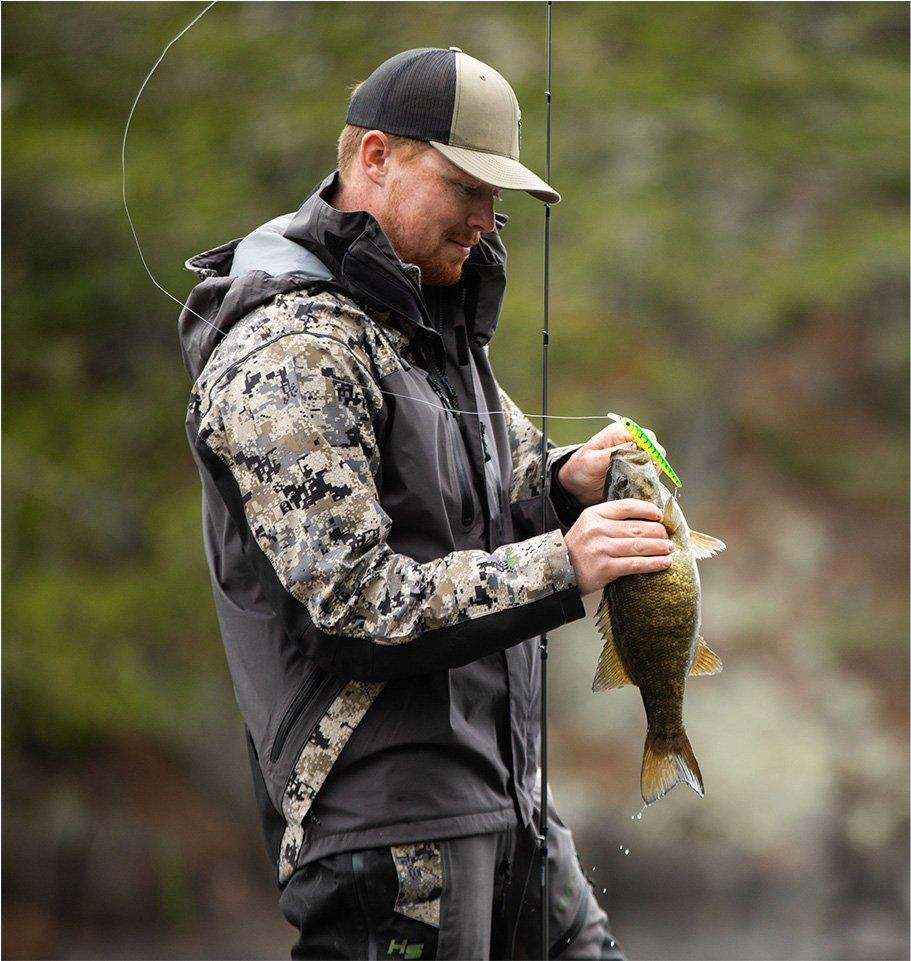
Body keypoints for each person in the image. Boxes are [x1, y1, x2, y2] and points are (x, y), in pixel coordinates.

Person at [179, 47, 672, 960]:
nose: (488, 221)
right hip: (385, 827)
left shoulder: (429, 325)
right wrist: (569, 564)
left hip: (505, 800)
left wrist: (563, 478)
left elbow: (495, 479)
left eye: (500, 198)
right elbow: (350, 605)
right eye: (467, 188)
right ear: (375, 158)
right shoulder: (291, 349)